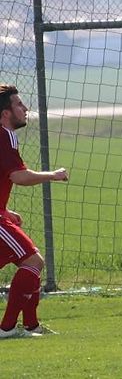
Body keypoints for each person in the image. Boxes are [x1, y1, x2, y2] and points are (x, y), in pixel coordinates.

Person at [0, 84, 67, 338]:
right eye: (19, 104)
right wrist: (53, 175)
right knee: (33, 261)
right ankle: (7, 328)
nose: (26, 108)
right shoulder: (4, 136)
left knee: (30, 262)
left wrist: (5, 211)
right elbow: (19, 176)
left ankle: (31, 325)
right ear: (6, 113)